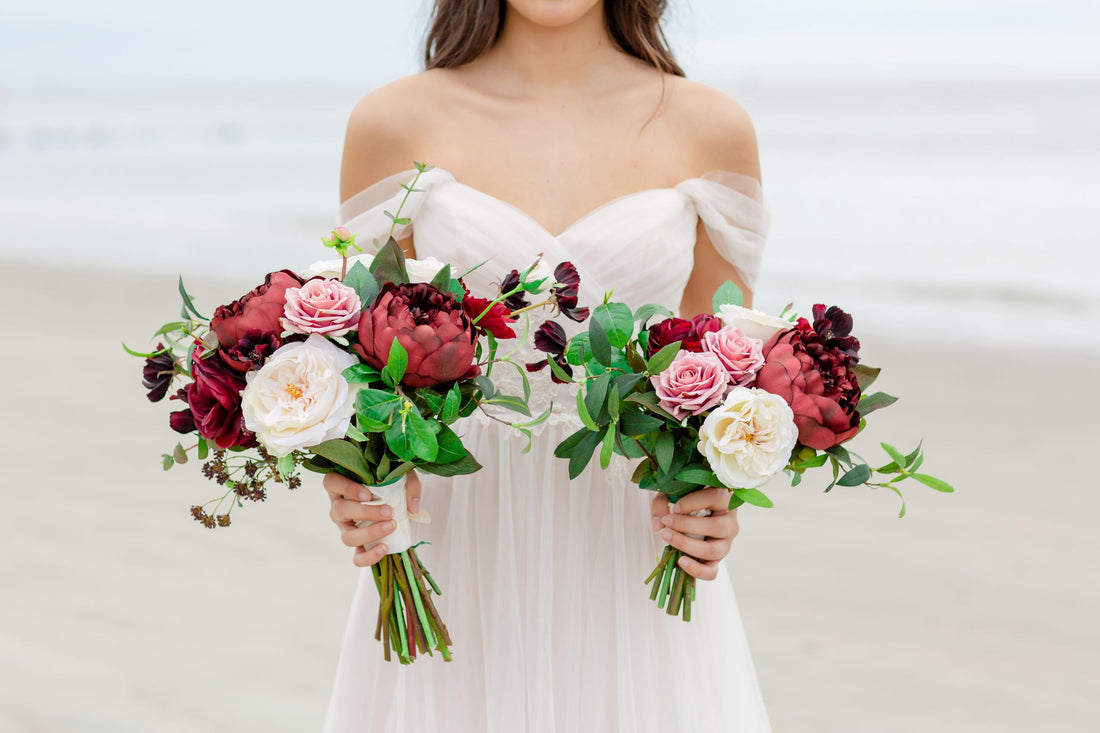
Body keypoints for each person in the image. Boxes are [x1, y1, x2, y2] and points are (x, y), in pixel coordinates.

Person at [321, 1, 773, 730]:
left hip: (633, 546)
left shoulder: (709, 128)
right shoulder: (393, 123)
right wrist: (354, 472)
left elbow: (727, 372)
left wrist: (715, 499)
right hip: (458, 535)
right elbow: (363, 355)